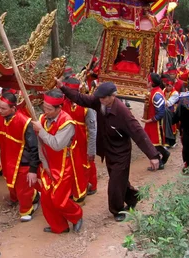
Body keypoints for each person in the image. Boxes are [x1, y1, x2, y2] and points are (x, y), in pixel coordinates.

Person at [58, 80, 161, 222]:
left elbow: (138, 133)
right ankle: (132, 197)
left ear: (113, 96)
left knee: (114, 183)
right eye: (99, 98)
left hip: (122, 152)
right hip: (108, 149)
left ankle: (117, 210)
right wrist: (62, 87)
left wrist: (153, 155)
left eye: (104, 98)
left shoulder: (123, 113)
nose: (101, 100)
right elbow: (80, 98)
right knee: (118, 179)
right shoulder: (99, 102)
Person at [0, 90, 41, 222]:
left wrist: (33, 170)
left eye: (3, 108)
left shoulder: (25, 122)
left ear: (13, 108)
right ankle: (34, 195)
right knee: (12, 185)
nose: (0, 110)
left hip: (23, 161)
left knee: (23, 188)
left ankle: (27, 210)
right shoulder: (0, 117)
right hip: (7, 159)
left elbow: (34, 148)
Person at [31, 89, 83, 234]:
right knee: (46, 200)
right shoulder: (42, 119)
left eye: (49, 109)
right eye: (44, 107)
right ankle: (59, 226)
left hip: (62, 167)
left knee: (59, 200)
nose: (45, 111)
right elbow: (40, 144)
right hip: (47, 165)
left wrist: (40, 130)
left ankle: (77, 216)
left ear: (59, 108)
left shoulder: (67, 123)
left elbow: (56, 145)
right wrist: (44, 164)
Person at [62, 77, 98, 200]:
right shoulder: (63, 103)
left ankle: (91, 185)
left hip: (84, 142)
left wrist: (91, 150)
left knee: (87, 164)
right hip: (69, 142)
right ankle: (74, 188)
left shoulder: (87, 107)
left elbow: (93, 130)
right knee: (71, 166)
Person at [142, 73, 171, 169]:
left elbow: (160, 113)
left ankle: (162, 158)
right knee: (151, 143)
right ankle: (161, 158)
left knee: (153, 144)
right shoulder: (154, 92)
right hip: (151, 123)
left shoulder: (156, 95)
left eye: (148, 80)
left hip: (155, 124)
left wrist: (149, 120)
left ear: (151, 83)